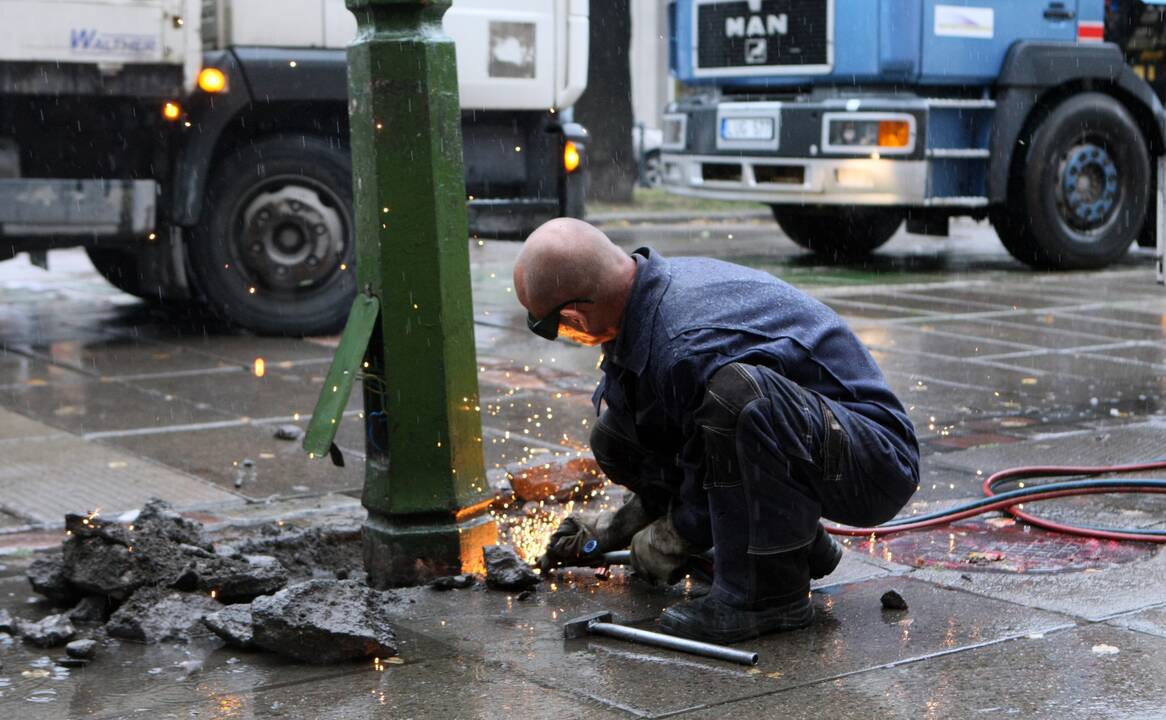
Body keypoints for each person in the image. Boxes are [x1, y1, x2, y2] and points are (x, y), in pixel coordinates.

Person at [513, 218, 918, 643]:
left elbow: (713, 448)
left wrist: (676, 535)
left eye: (549, 325)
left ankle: (769, 595)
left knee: (737, 397)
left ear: (577, 313)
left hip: (875, 460)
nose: (558, 334)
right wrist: (618, 527)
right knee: (617, 436)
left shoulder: (683, 342)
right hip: (814, 437)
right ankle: (792, 540)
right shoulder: (639, 294)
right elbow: (675, 439)